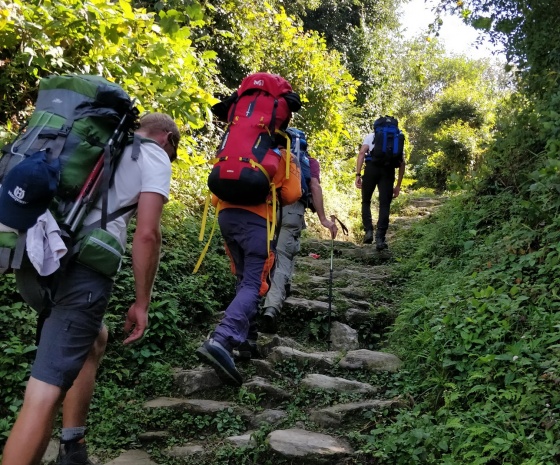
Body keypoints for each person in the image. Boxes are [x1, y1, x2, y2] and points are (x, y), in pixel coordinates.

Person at [1, 112, 180, 465]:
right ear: (167, 139)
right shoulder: (154, 155)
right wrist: (141, 302)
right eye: (173, 152)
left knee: (94, 337)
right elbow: (148, 233)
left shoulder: (96, 144)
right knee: (45, 391)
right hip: (81, 271)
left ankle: (73, 446)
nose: (171, 158)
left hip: (36, 258)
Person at [195, 148, 302, 387]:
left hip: (227, 218)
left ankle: (246, 341)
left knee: (243, 279)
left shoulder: (235, 147)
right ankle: (221, 339)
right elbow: (293, 194)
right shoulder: (282, 151)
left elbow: (214, 195)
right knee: (254, 283)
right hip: (257, 222)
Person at [260, 130, 338, 333]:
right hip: (293, 209)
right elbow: (314, 186)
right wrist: (323, 219)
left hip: (266, 206)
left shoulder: (268, 154)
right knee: (284, 256)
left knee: (265, 252)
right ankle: (271, 307)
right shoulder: (308, 161)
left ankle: (258, 299)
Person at [355, 128, 405, 250]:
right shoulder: (396, 139)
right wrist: (398, 185)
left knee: (366, 201)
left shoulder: (371, 136)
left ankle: (368, 232)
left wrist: (358, 174)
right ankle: (380, 238)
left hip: (371, 168)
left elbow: (362, 153)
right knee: (384, 204)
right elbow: (402, 162)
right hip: (388, 171)